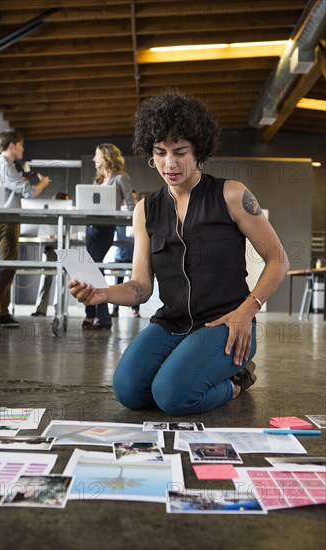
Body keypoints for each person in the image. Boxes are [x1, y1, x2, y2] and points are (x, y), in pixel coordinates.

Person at [69, 91, 289, 416]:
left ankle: (237, 380)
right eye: (160, 153)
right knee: (128, 392)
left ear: (198, 150)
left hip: (227, 323)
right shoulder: (146, 209)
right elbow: (141, 288)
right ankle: (192, 369)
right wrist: (103, 293)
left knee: (172, 397)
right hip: (171, 323)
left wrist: (247, 311)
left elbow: (278, 260)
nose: (170, 163)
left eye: (180, 152)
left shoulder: (231, 195)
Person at [0, 130, 51, 329]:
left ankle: (3, 312)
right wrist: (43, 183)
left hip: (6, 220)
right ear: (12, 145)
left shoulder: (4, 167)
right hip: (7, 221)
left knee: (9, 265)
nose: (23, 149)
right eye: (21, 145)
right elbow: (29, 191)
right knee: (8, 266)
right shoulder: (4, 167)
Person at [82, 143, 135, 330]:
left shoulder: (120, 178)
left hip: (105, 228)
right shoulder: (98, 180)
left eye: (97, 155)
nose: (94, 159)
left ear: (106, 157)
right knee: (88, 270)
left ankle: (103, 318)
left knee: (94, 268)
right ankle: (90, 314)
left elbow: (131, 205)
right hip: (91, 227)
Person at [31, 192, 71, 318]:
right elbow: (43, 232)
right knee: (45, 279)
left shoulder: (69, 213)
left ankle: (58, 309)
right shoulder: (48, 213)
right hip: (50, 248)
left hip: (64, 248)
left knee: (62, 281)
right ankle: (41, 309)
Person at [111, 190, 140, 318]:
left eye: (133, 199)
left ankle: (135, 310)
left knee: (135, 284)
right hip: (120, 256)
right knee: (118, 282)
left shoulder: (138, 216)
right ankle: (115, 309)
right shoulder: (119, 216)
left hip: (135, 256)